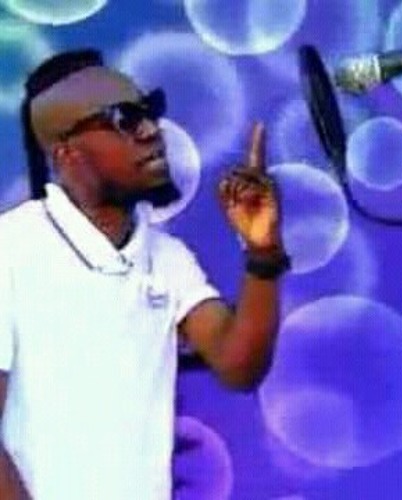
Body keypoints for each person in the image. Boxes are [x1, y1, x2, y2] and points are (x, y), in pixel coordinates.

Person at [0, 49, 291, 499]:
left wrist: (262, 252)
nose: (152, 130)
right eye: (125, 118)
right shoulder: (12, 249)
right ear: (67, 152)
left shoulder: (167, 258)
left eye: (150, 111)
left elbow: (239, 366)